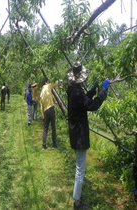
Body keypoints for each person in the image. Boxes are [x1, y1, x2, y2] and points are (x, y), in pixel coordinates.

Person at [66, 61, 109, 210]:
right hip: (79, 135)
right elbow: (92, 105)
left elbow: (83, 100)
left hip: (75, 132)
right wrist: (102, 93)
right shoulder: (77, 92)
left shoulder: (72, 90)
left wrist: (92, 91)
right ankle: (77, 202)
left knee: (79, 166)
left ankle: (77, 197)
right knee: (80, 169)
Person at [40, 78, 59, 150]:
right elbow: (55, 83)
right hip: (51, 109)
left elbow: (41, 107)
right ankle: (54, 145)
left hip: (45, 111)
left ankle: (44, 145)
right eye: (47, 82)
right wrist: (59, 81)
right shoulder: (48, 86)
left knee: (45, 128)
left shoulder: (41, 93)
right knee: (53, 127)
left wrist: (43, 116)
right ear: (46, 82)